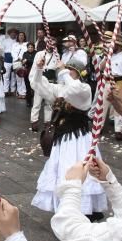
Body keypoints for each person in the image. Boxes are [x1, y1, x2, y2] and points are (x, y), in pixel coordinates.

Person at [30, 64, 108, 221]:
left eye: (70, 69)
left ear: (78, 73)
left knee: (81, 170)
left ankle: (85, 209)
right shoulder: (60, 89)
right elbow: (37, 84)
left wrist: (64, 72)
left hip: (79, 139)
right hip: (63, 139)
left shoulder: (84, 88)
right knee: (63, 171)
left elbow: (74, 90)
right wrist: (38, 69)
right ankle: (67, 206)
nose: (65, 72)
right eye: (66, 69)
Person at [29, 43, 60, 132]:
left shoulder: (57, 55)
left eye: (54, 44)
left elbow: (57, 69)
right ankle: (34, 122)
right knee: (37, 103)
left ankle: (47, 123)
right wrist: (33, 81)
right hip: (40, 81)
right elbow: (35, 67)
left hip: (51, 82)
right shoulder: (39, 54)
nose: (51, 46)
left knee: (49, 104)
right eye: (50, 44)